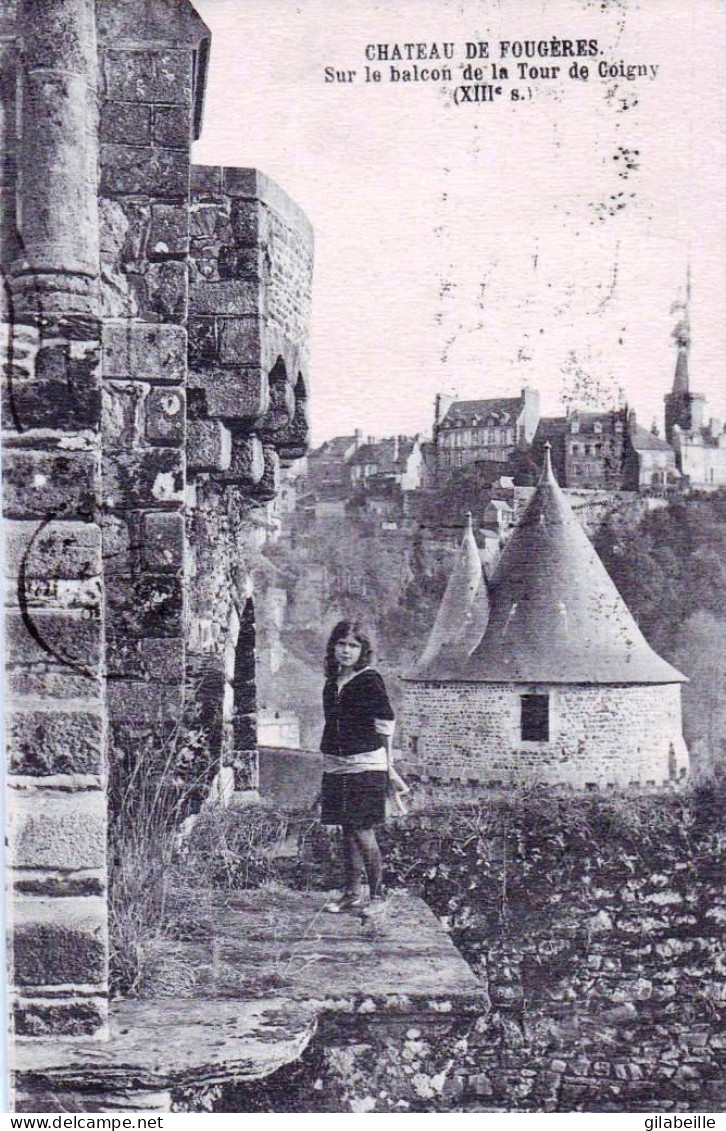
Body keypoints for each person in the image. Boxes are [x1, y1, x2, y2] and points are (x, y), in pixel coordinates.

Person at [319, 619, 395, 915]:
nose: (346, 651)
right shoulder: (332, 682)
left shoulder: (369, 679)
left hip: (366, 764)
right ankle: (351, 893)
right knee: (346, 828)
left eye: (353, 645)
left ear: (363, 650)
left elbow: (385, 722)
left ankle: (378, 897)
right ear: (333, 647)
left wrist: (388, 767)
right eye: (341, 644)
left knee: (362, 829)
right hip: (337, 765)